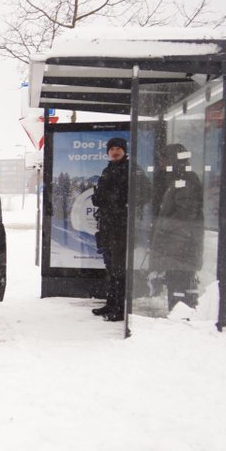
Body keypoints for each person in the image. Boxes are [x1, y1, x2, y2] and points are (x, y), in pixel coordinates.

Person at [148, 143, 203, 310]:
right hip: (178, 246)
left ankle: (181, 323)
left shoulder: (184, 181)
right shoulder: (178, 179)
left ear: (172, 160)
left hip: (181, 247)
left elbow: (185, 216)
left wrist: (161, 226)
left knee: (180, 289)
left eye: (163, 160)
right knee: (178, 286)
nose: (160, 163)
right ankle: (180, 319)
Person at [91, 137, 136, 321]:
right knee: (111, 267)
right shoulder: (108, 170)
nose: (115, 151)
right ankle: (111, 303)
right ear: (107, 152)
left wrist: (119, 204)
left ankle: (119, 308)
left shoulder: (131, 170)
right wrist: (100, 198)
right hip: (108, 228)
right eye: (112, 149)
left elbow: (144, 193)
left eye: (118, 148)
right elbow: (102, 196)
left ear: (124, 151)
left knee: (119, 269)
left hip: (121, 228)